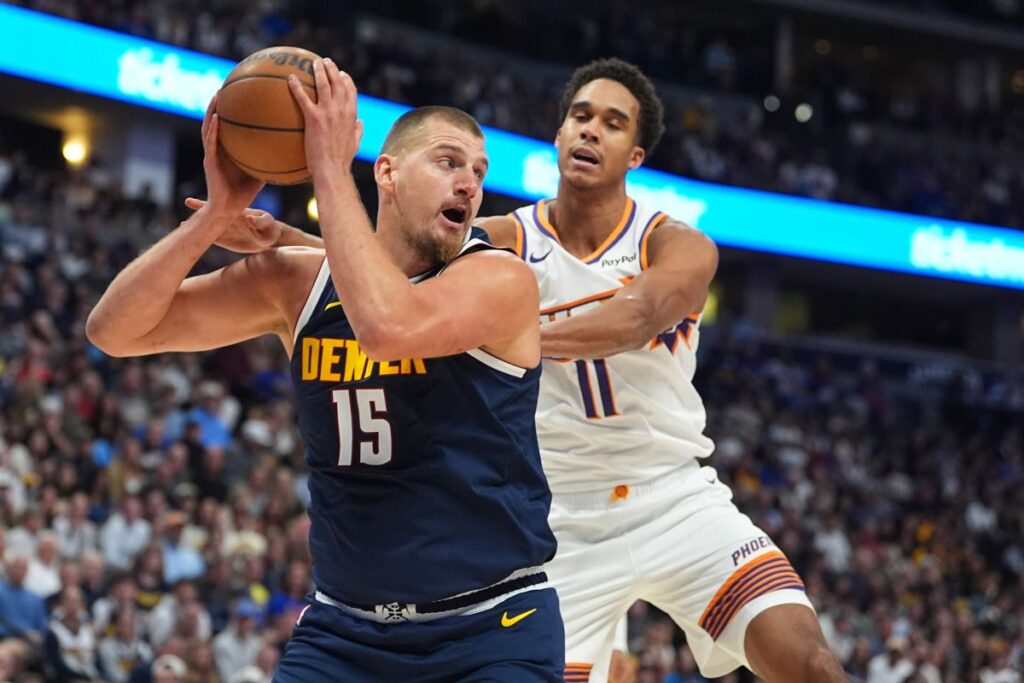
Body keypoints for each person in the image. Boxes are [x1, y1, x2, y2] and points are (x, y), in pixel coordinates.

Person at [87, 57, 562, 682]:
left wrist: (328, 171)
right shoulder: (298, 284)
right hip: (344, 634)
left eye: (479, 171)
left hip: (491, 629)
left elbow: (390, 328)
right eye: (449, 162)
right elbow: (115, 331)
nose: (470, 183)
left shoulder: (498, 278)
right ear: (386, 172)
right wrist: (211, 218)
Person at [471, 58, 846, 683]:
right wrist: (277, 233)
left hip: (671, 496)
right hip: (556, 519)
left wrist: (514, 337)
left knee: (810, 664)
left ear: (635, 155)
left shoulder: (674, 244)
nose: (591, 131)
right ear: (559, 134)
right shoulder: (503, 240)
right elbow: (394, 266)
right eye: (580, 117)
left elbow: (637, 315)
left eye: (612, 124)